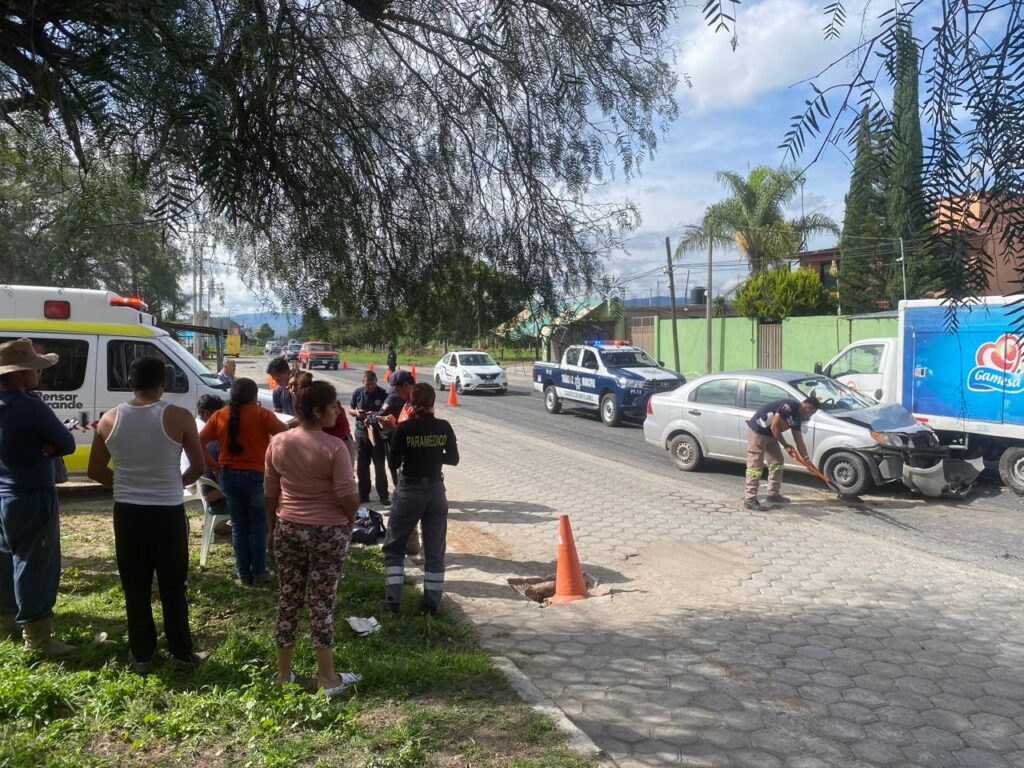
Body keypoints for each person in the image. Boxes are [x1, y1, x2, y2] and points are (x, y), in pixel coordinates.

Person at [88, 356, 207, 672]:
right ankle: (182, 653)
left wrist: (127, 482)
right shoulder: (180, 417)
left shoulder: (109, 419)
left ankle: (141, 654)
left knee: (135, 585)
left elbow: (95, 470)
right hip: (167, 512)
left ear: (130, 383)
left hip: (127, 513)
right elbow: (198, 466)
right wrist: (173, 483)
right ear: (163, 383)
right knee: (173, 584)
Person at [264, 380, 361, 695]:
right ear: (318, 411)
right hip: (327, 532)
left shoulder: (278, 442)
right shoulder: (335, 447)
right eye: (333, 406)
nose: (337, 411)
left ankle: (283, 674)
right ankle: (327, 677)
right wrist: (348, 521)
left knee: (288, 600)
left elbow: (269, 493)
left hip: (288, 527)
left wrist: (270, 529)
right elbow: (348, 495)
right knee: (322, 602)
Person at [0, 339, 77, 654]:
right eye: (33, 369)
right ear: (18, 374)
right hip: (32, 495)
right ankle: (37, 638)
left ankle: (6, 625)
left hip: (3, 495)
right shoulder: (30, 405)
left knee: (5, 561)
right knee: (36, 564)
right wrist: (50, 444)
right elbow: (68, 443)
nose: (38, 375)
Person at [381, 383, 458, 617]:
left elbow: (393, 464)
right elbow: (453, 459)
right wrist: (433, 453)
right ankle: (431, 604)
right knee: (434, 551)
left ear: (411, 403)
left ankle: (393, 602)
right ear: (433, 403)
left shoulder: (404, 429)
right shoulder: (444, 427)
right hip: (436, 491)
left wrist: (390, 434)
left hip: (410, 491)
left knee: (394, 547)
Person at [201, 378, 287, 585]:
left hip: (228, 475)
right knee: (257, 525)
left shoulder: (219, 415)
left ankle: (243, 574)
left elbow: (198, 441)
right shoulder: (262, 415)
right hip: (256, 475)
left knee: (239, 526)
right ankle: (259, 572)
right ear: (254, 396)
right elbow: (286, 433)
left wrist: (214, 466)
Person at [744, 396, 819, 510]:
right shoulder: (790, 406)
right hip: (758, 432)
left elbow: (799, 442)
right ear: (808, 407)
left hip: (771, 435)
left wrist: (807, 461)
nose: (810, 416)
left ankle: (773, 494)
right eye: (812, 413)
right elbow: (774, 426)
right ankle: (750, 499)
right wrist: (785, 445)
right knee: (755, 466)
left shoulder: (797, 418)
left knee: (777, 462)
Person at [348, 371, 389, 505]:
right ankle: (364, 495)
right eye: (367, 384)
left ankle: (383, 495)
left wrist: (376, 415)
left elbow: (388, 411)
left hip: (377, 433)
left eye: (372, 384)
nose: (370, 386)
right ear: (363, 382)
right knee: (362, 465)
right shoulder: (358, 393)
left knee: (379, 465)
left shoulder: (382, 393)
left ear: (376, 381)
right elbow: (350, 409)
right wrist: (356, 413)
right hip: (361, 433)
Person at [195, 395, 229, 531]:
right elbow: (209, 494)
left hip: (204, 484)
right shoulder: (210, 436)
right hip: (214, 497)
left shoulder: (198, 427)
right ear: (208, 414)